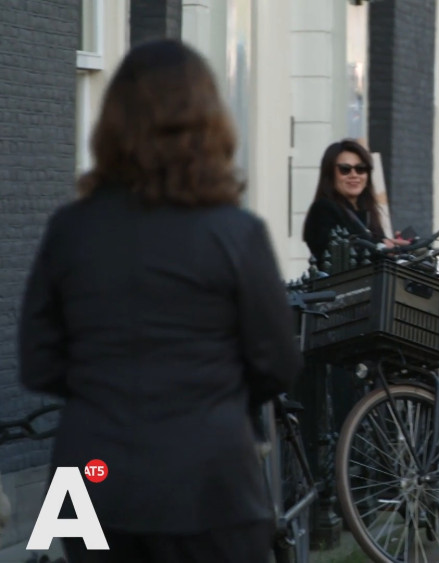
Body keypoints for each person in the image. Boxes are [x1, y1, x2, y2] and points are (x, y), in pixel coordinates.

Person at [18, 39, 301, 563]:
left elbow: (38, 364)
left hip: (90, 476)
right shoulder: (235, 235)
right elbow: (276, 365)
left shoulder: (71, 230)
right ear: (210, 125)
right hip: (209, 477)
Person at [303, 139, 406, 259]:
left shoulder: (368, 212)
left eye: (360, 169)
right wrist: (381, 247)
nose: (354, 175)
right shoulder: (322, 210)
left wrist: (393, 245)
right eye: (345, 169)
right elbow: (338, 255)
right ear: (330, 174)